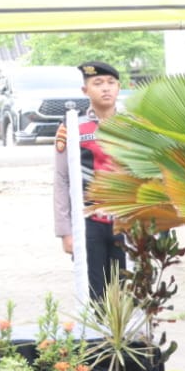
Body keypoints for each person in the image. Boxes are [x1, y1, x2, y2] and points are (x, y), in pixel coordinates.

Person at [53, 61, 127, 300]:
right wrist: (65, 231)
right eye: (98, 83)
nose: (106, 88)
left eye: (111, 83)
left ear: (119, 87)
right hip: (88, 221)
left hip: (126, 220)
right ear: (85, 90)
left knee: (128, 292)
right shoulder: (72, 126)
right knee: (93, 294)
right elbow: (62, 179)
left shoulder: (133, 125)